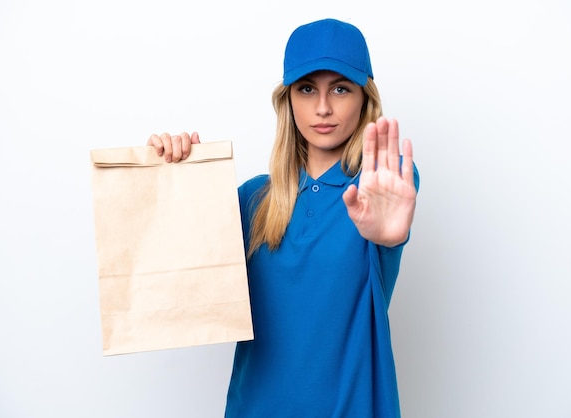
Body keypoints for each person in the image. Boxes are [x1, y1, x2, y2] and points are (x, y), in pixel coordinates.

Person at [148, 18, 419, 418]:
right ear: (287, 99)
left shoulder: (379, 187)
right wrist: (174, 179)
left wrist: (389, 239)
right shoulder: (252, 199)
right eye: (307, 89)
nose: (322, 107)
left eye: (340, 89)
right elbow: (176, 286)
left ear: (364, 98)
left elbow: (389, 218)